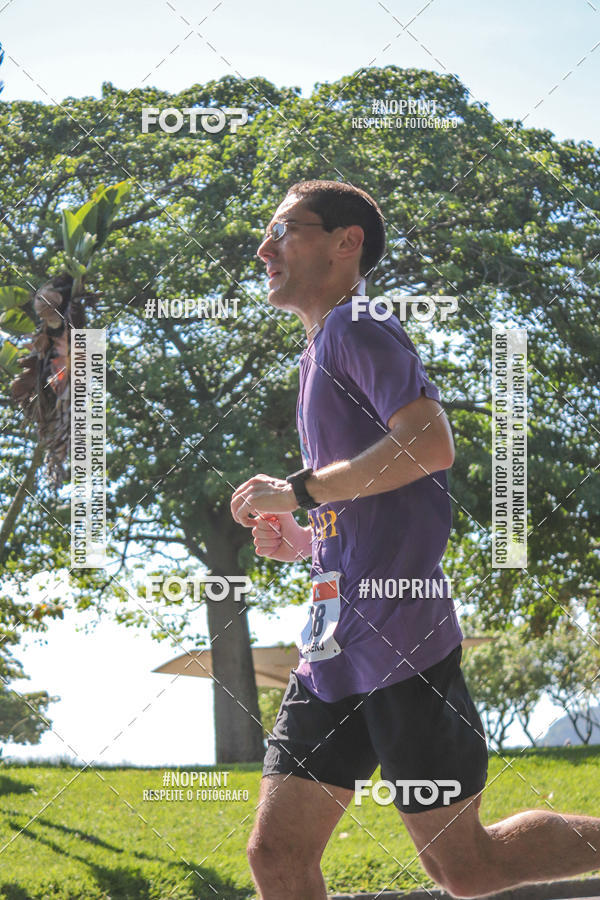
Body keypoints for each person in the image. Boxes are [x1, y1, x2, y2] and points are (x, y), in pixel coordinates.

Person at [230, 180, 600, 900]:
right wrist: (307, 538)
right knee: (276, 855)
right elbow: (384, 500)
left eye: (283, 229)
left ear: (346, 242)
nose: (262, 247)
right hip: (332, 650)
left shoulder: (356, 327)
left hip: (400, 640)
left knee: (466, 868)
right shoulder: (316, 355)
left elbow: (429, 443)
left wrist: (299, 489)